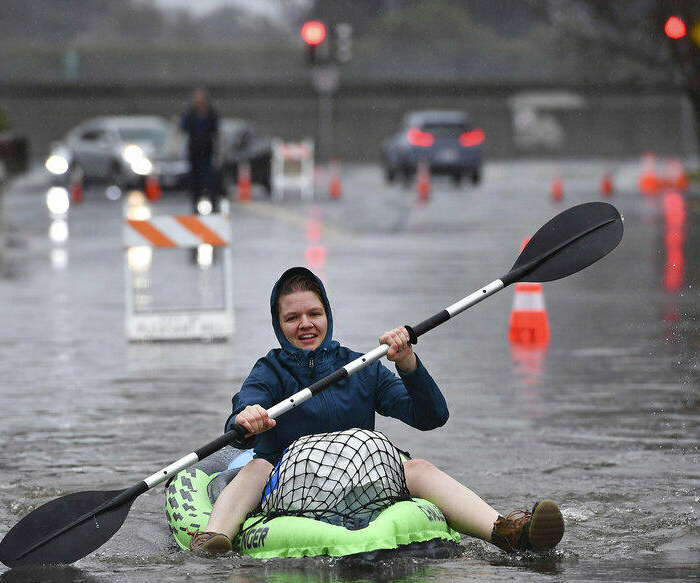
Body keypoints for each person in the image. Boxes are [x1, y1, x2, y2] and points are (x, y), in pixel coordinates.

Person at [189, 267, 564, 555]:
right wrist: (247, 417)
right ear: (279, 324)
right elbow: (241, 411)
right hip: (290, 484)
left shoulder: (361, 367)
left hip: (363, 476)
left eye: (314, 313)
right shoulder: (269, 371)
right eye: (292, 318)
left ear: (327, 315)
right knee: (256, 465)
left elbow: (431, 417)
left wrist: (408, 363)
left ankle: (507, 531)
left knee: (417, 468)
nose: (305, 324)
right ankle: (215, 537)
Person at [180, 89, 219, 212]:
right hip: (194, 151)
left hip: (207, 150)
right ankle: (195, 203)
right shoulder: (190, 113)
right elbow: (184, 127)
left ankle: (213, 202)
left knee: (209, 178)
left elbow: (215, 129)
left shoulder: (210, 112)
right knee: (195, 179)